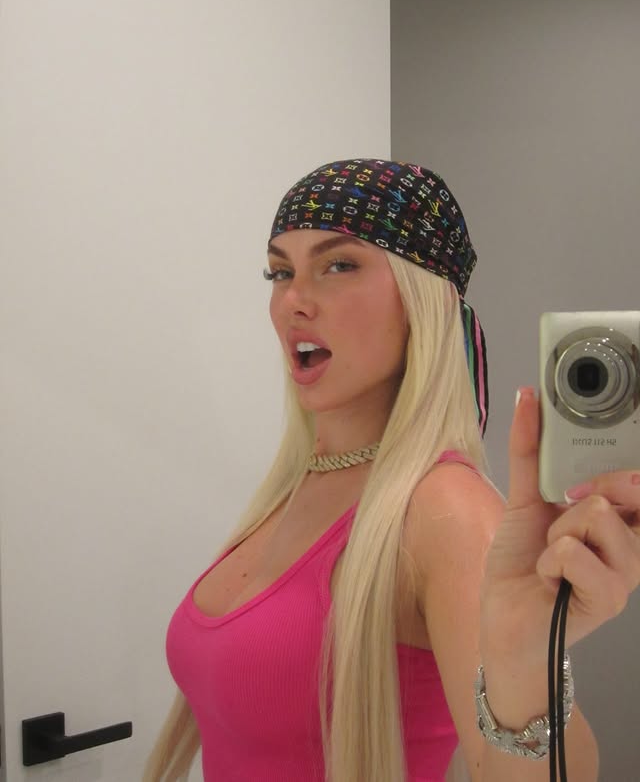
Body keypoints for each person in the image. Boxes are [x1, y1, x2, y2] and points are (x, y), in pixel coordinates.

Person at [143, 158, 640, 782]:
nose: (293, 302)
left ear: (422, 300)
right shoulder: (298, 486)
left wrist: (522, 665)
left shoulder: (446, 510)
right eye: (280, 272)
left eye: (339, 266)